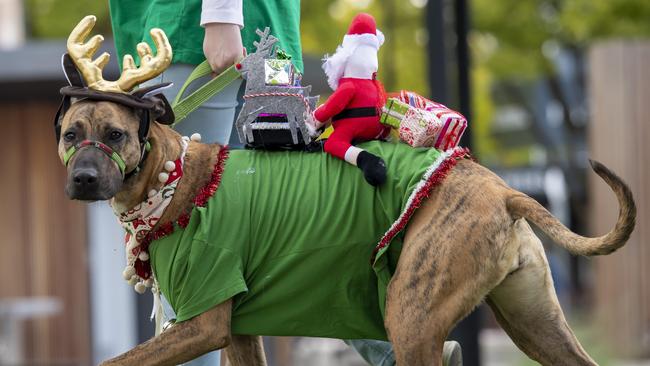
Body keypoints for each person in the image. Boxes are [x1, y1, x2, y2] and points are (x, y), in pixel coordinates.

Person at [109, 3, 461, 364]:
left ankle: (396, 354)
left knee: (188, 267)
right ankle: (396, 354)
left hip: (195, 30)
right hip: (269, 39)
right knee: (269, 240)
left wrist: (221, 16)